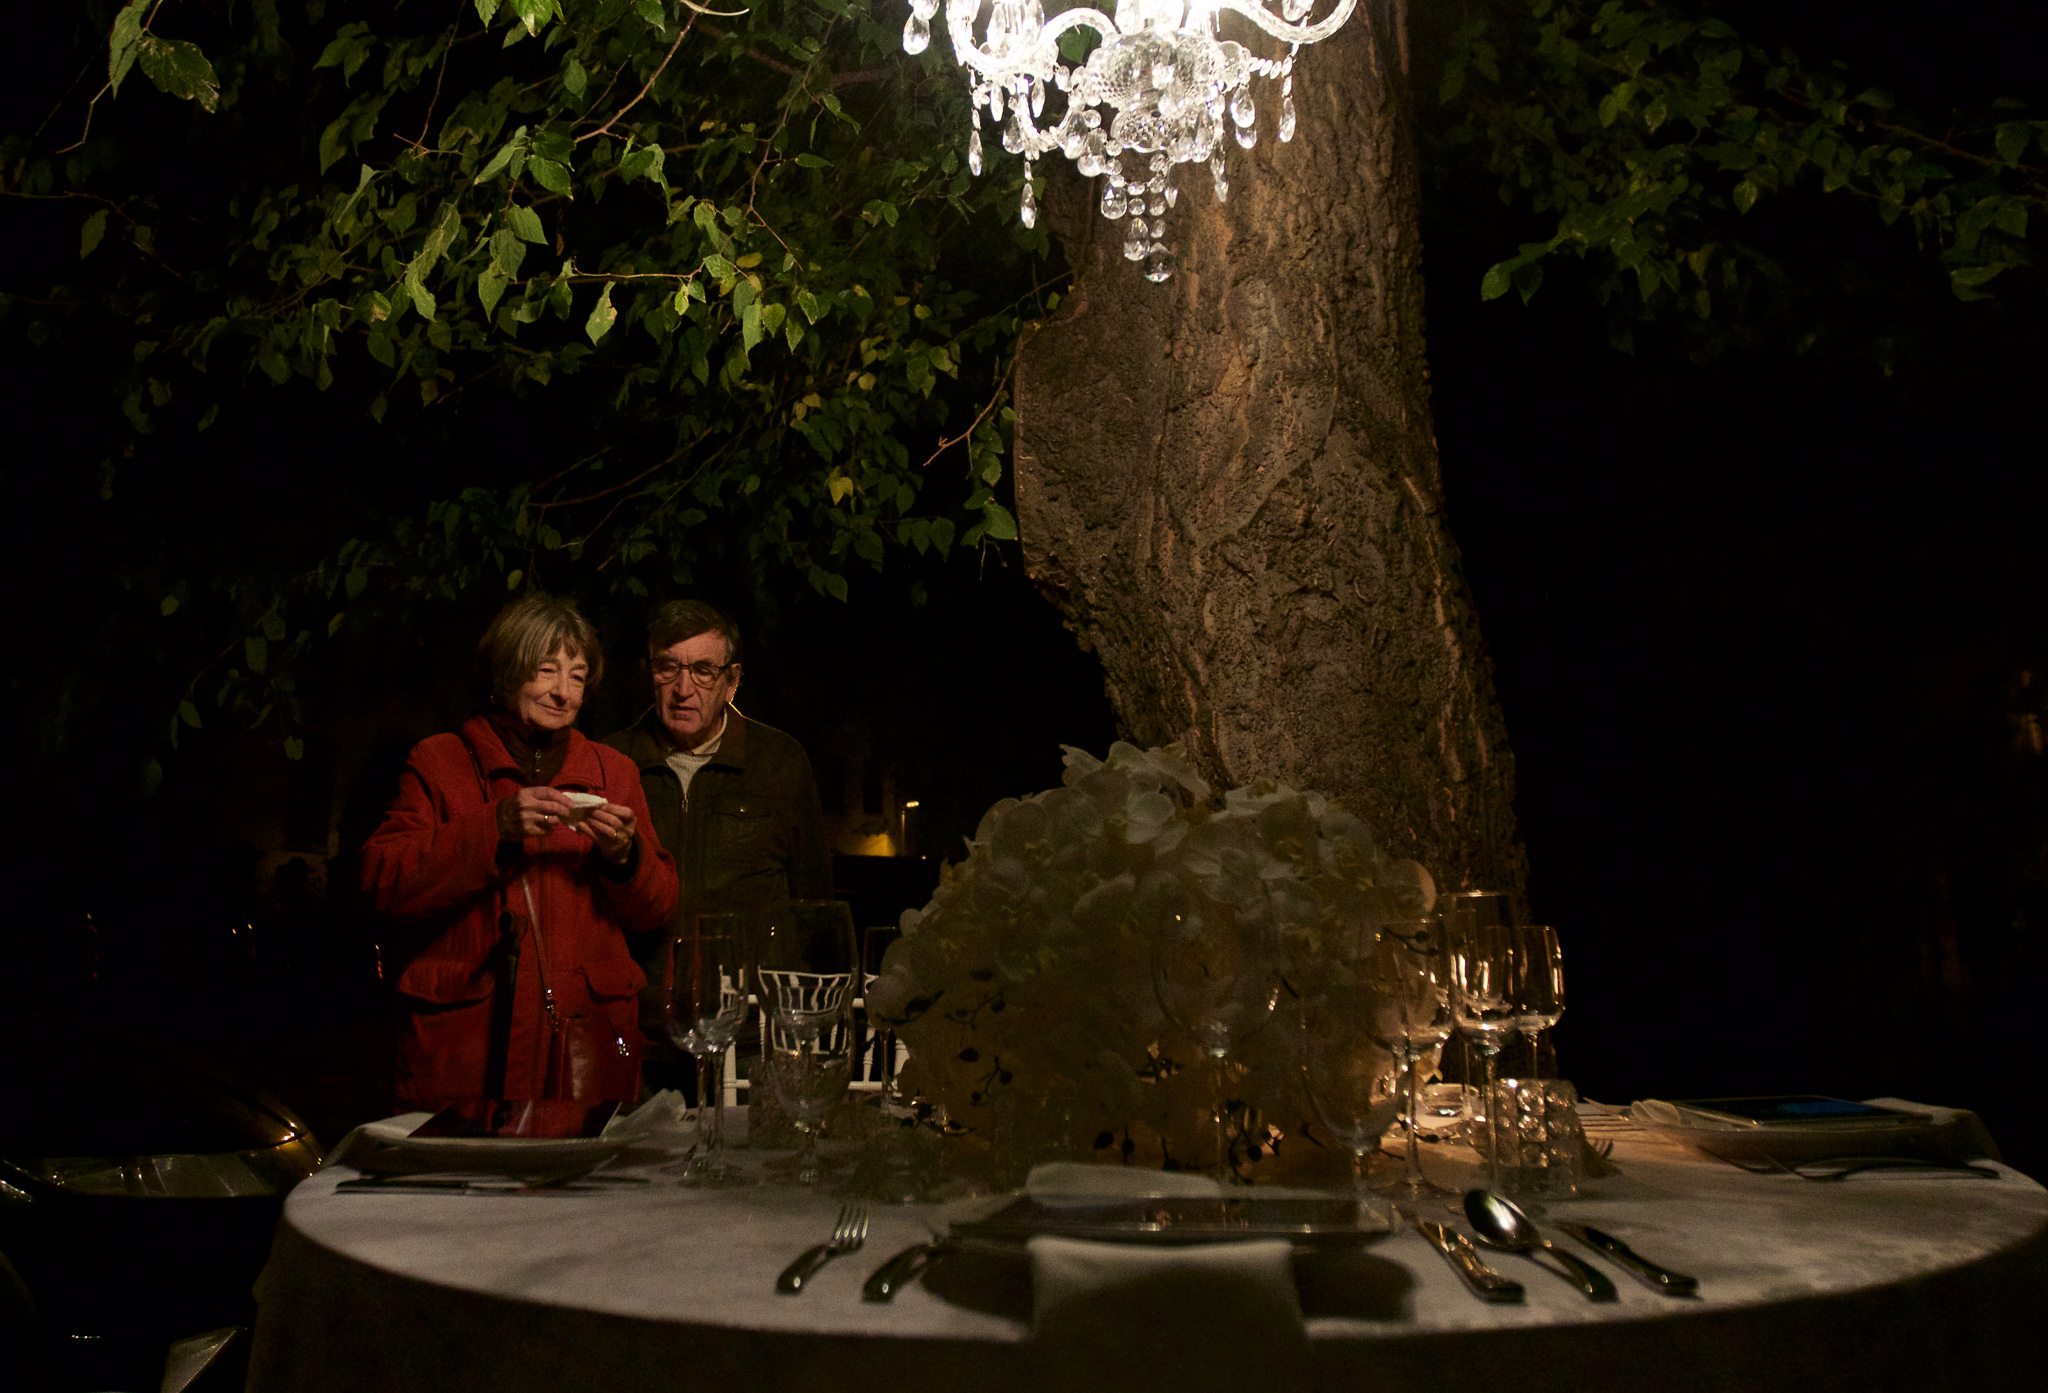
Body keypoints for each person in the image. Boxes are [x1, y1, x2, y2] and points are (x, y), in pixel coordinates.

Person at [362, 596, 678, 1110]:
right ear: (507, 673)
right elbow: (384, 882)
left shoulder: (612, 773)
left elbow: (657, 907)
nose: (563, 692)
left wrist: (626, 858)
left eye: (577, 677)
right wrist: (494, 829)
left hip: (583, 1056)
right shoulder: (441, 762)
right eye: (546, 670)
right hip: (464, 1054)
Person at [606, 600, 831, 1087]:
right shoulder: (611, 763)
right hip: (639, 1035)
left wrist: (801, 1019)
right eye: (668, 667)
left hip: (751, 1037)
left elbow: (813, 901)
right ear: (650, 673)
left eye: (703, 671)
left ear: (732, 681)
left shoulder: (777, 762)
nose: (683, 688)